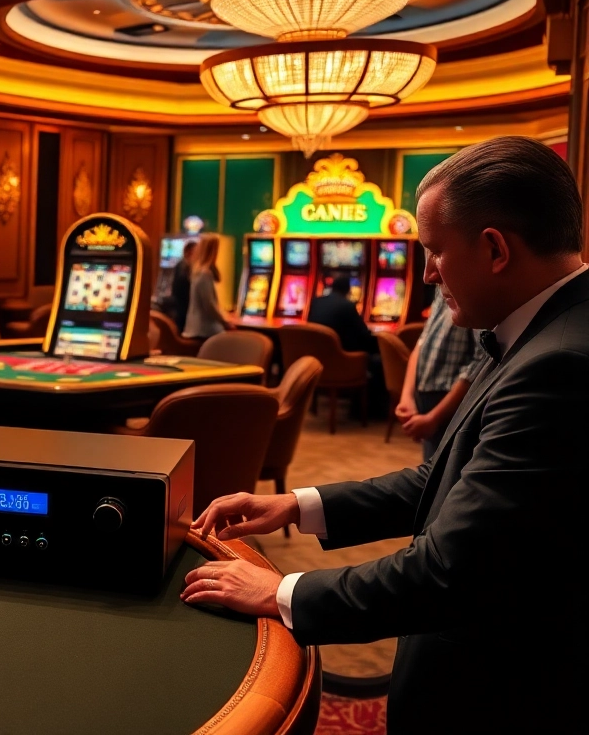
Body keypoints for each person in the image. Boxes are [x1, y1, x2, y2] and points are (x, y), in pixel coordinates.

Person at [183, 136, 586, 733]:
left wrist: (281, 592)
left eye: (434, 251)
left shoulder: (561, 364)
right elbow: (443, 479)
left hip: (502, 695)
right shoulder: (540, 331)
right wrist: (297, 505)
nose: (423, 274)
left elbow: (448, 572)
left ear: (496, 249)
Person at [394, 290, 487, 460]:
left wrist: (434, 418)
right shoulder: (441, 289)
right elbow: (421, 343)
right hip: (424, 393)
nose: (429, 275)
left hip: (452, 399)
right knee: (431, 468)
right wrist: (407, 396)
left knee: (445, 474)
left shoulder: (475, 292)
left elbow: (479, 364)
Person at [307, 276, 377, 354]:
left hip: (316, 353)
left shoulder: (316, 302)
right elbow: (364, 335)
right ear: (348, 290)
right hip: (343, 356)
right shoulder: (347, 305)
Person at [182, 234, 230, 340]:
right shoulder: (205, 273)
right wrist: (225, 322)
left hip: (194, 327)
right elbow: (209, 305)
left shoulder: (196, 270)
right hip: (204, 330)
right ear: (213, 251)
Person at [167, 239, 197, 329]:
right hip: (183, 312)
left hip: (180, 311)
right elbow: (184, 292)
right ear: (188, 252)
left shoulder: (182, 265)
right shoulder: (184, 267)